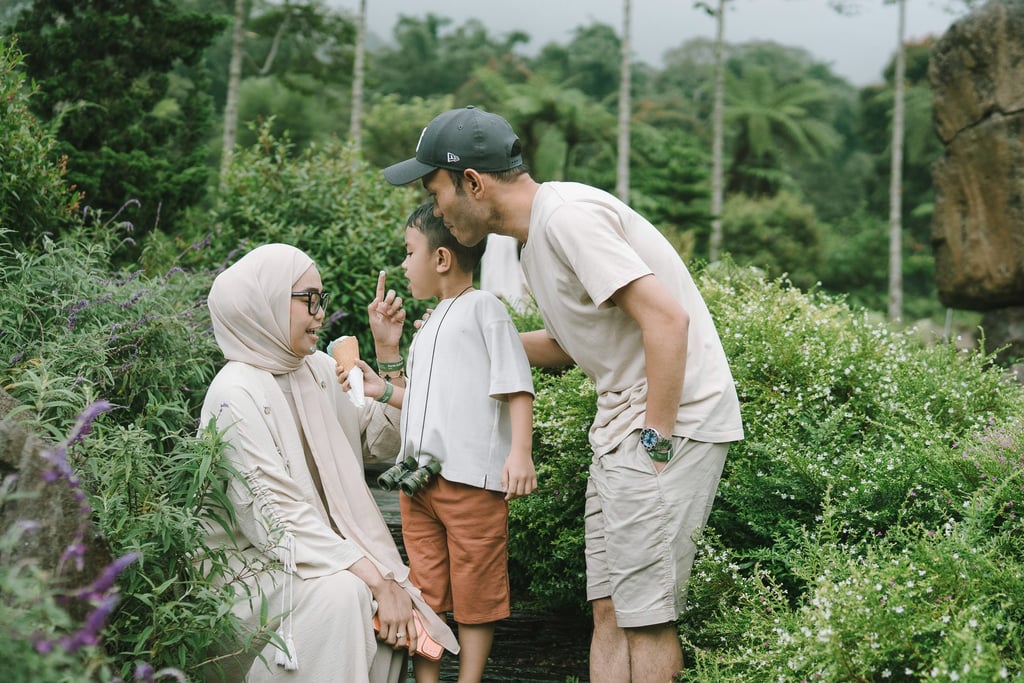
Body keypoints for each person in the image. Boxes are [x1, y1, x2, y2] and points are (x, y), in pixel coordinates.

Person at [382, 106, 745, 683]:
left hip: (659, 428)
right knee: (609, 610)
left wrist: (657, 437)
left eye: (437, 190)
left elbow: (666, 322)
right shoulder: (533, 244)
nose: (438, 212)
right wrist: (461, 338)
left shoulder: (569, 219)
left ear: (472, 182)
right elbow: (569, 343)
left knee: (645, 617)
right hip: (618, 429)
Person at [198, 243, 458, 682]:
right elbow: (275, 518)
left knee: (377, 599)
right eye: (309, 300)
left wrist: (388, 355)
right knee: (349, 593)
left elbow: (381, 442)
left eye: (322, 300)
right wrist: (377, 578)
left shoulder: (316, 369)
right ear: (264, 300)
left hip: (320, 549)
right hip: (248, 571)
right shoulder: (233, 393)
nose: (320, 313)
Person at [344, 203, 536, 683]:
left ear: (443, 259)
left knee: (476, 593)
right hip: (417, 484)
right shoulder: (428, 326)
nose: (405, 264)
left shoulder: (486, 308)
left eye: (410, 253)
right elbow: (430, 403)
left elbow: (516, 383)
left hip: (471, 484)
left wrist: (520, 453)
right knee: (426, 592)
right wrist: (381, 388)